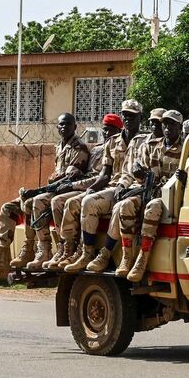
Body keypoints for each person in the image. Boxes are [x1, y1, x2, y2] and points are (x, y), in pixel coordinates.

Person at [0, 113, 90, 280]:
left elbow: (68, 179)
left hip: (63, 191)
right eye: (60, 124)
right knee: (8, 208)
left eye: (67, 124)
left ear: (75, 127)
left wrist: (37, 191)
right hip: (50, 189)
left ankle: (40, 249)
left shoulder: (79, 148)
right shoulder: (59, 146)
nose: (63, 127)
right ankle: (2, 256)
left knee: (33, 202)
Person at [94, 109, 184, 281]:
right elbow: (138, 170)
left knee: (152, 207)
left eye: (172, 124)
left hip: (166, 198)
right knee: (125, 205)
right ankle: (127, 257)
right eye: (165, 123)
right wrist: (139, 172)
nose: (167, 128)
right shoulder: (151, 146)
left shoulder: (186, 149)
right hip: (146, 190)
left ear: (179, 126)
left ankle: (142, 258)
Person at [64, 100, 150, 273]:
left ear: (140, 118)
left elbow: (143, 173)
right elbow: (105, 174)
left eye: (132, 116)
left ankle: (106, 253)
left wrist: (126, 187)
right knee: (88, 201)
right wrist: (92, 188)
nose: (128, 119)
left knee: (120, 207)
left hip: (134, 188)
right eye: (125, 115)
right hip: (113, 188)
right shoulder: (112, 141)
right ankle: (86, 252)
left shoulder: (146, 141)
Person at [41, 114, 123, 271]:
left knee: (71, 202)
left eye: (112, 130)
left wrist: (74, 186)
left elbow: (102, 178)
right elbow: (88, 174)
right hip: (88, 185)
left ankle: (80, 250)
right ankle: (64, 248)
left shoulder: (120, 149)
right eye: (105, 129)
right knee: (55, 201)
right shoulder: (98, 149)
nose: (107, 133)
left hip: (103, 188)